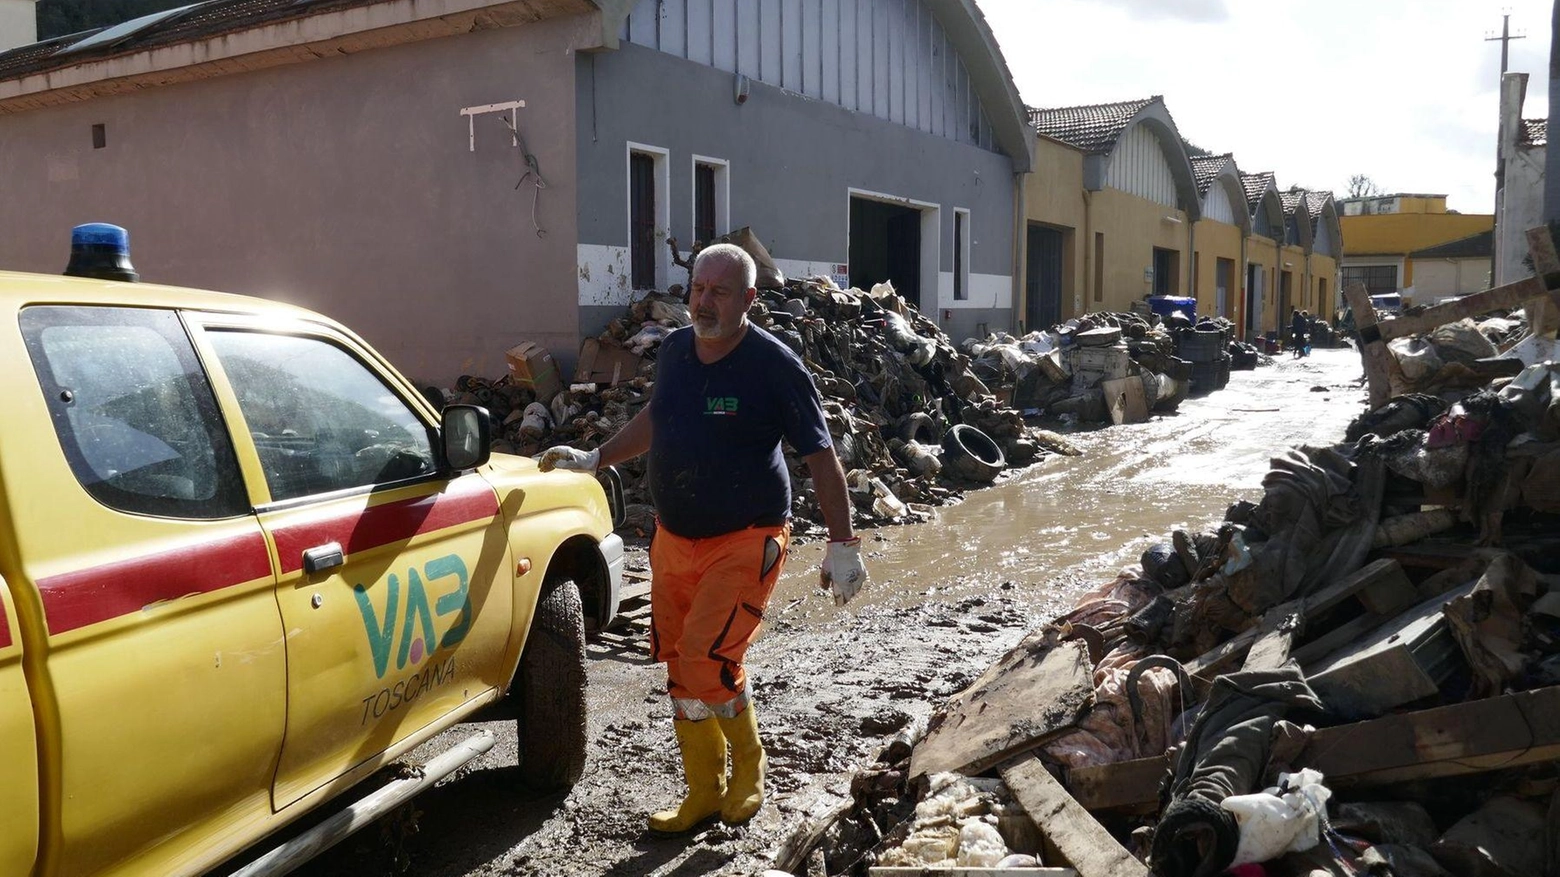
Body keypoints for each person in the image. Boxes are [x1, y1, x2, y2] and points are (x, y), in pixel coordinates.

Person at [539, 243, 867, 833]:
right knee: (678, 665)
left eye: (719, 291)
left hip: (747, 537)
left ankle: (748, 767)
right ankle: (702, 791)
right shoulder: (673, 352)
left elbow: (820, 455)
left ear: (749, 299)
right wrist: (597, 458)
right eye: (697, 288)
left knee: (707, 660)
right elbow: (657, 419)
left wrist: (842, 544)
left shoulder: (774, 365)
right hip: (673, 538)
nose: (704, 301)